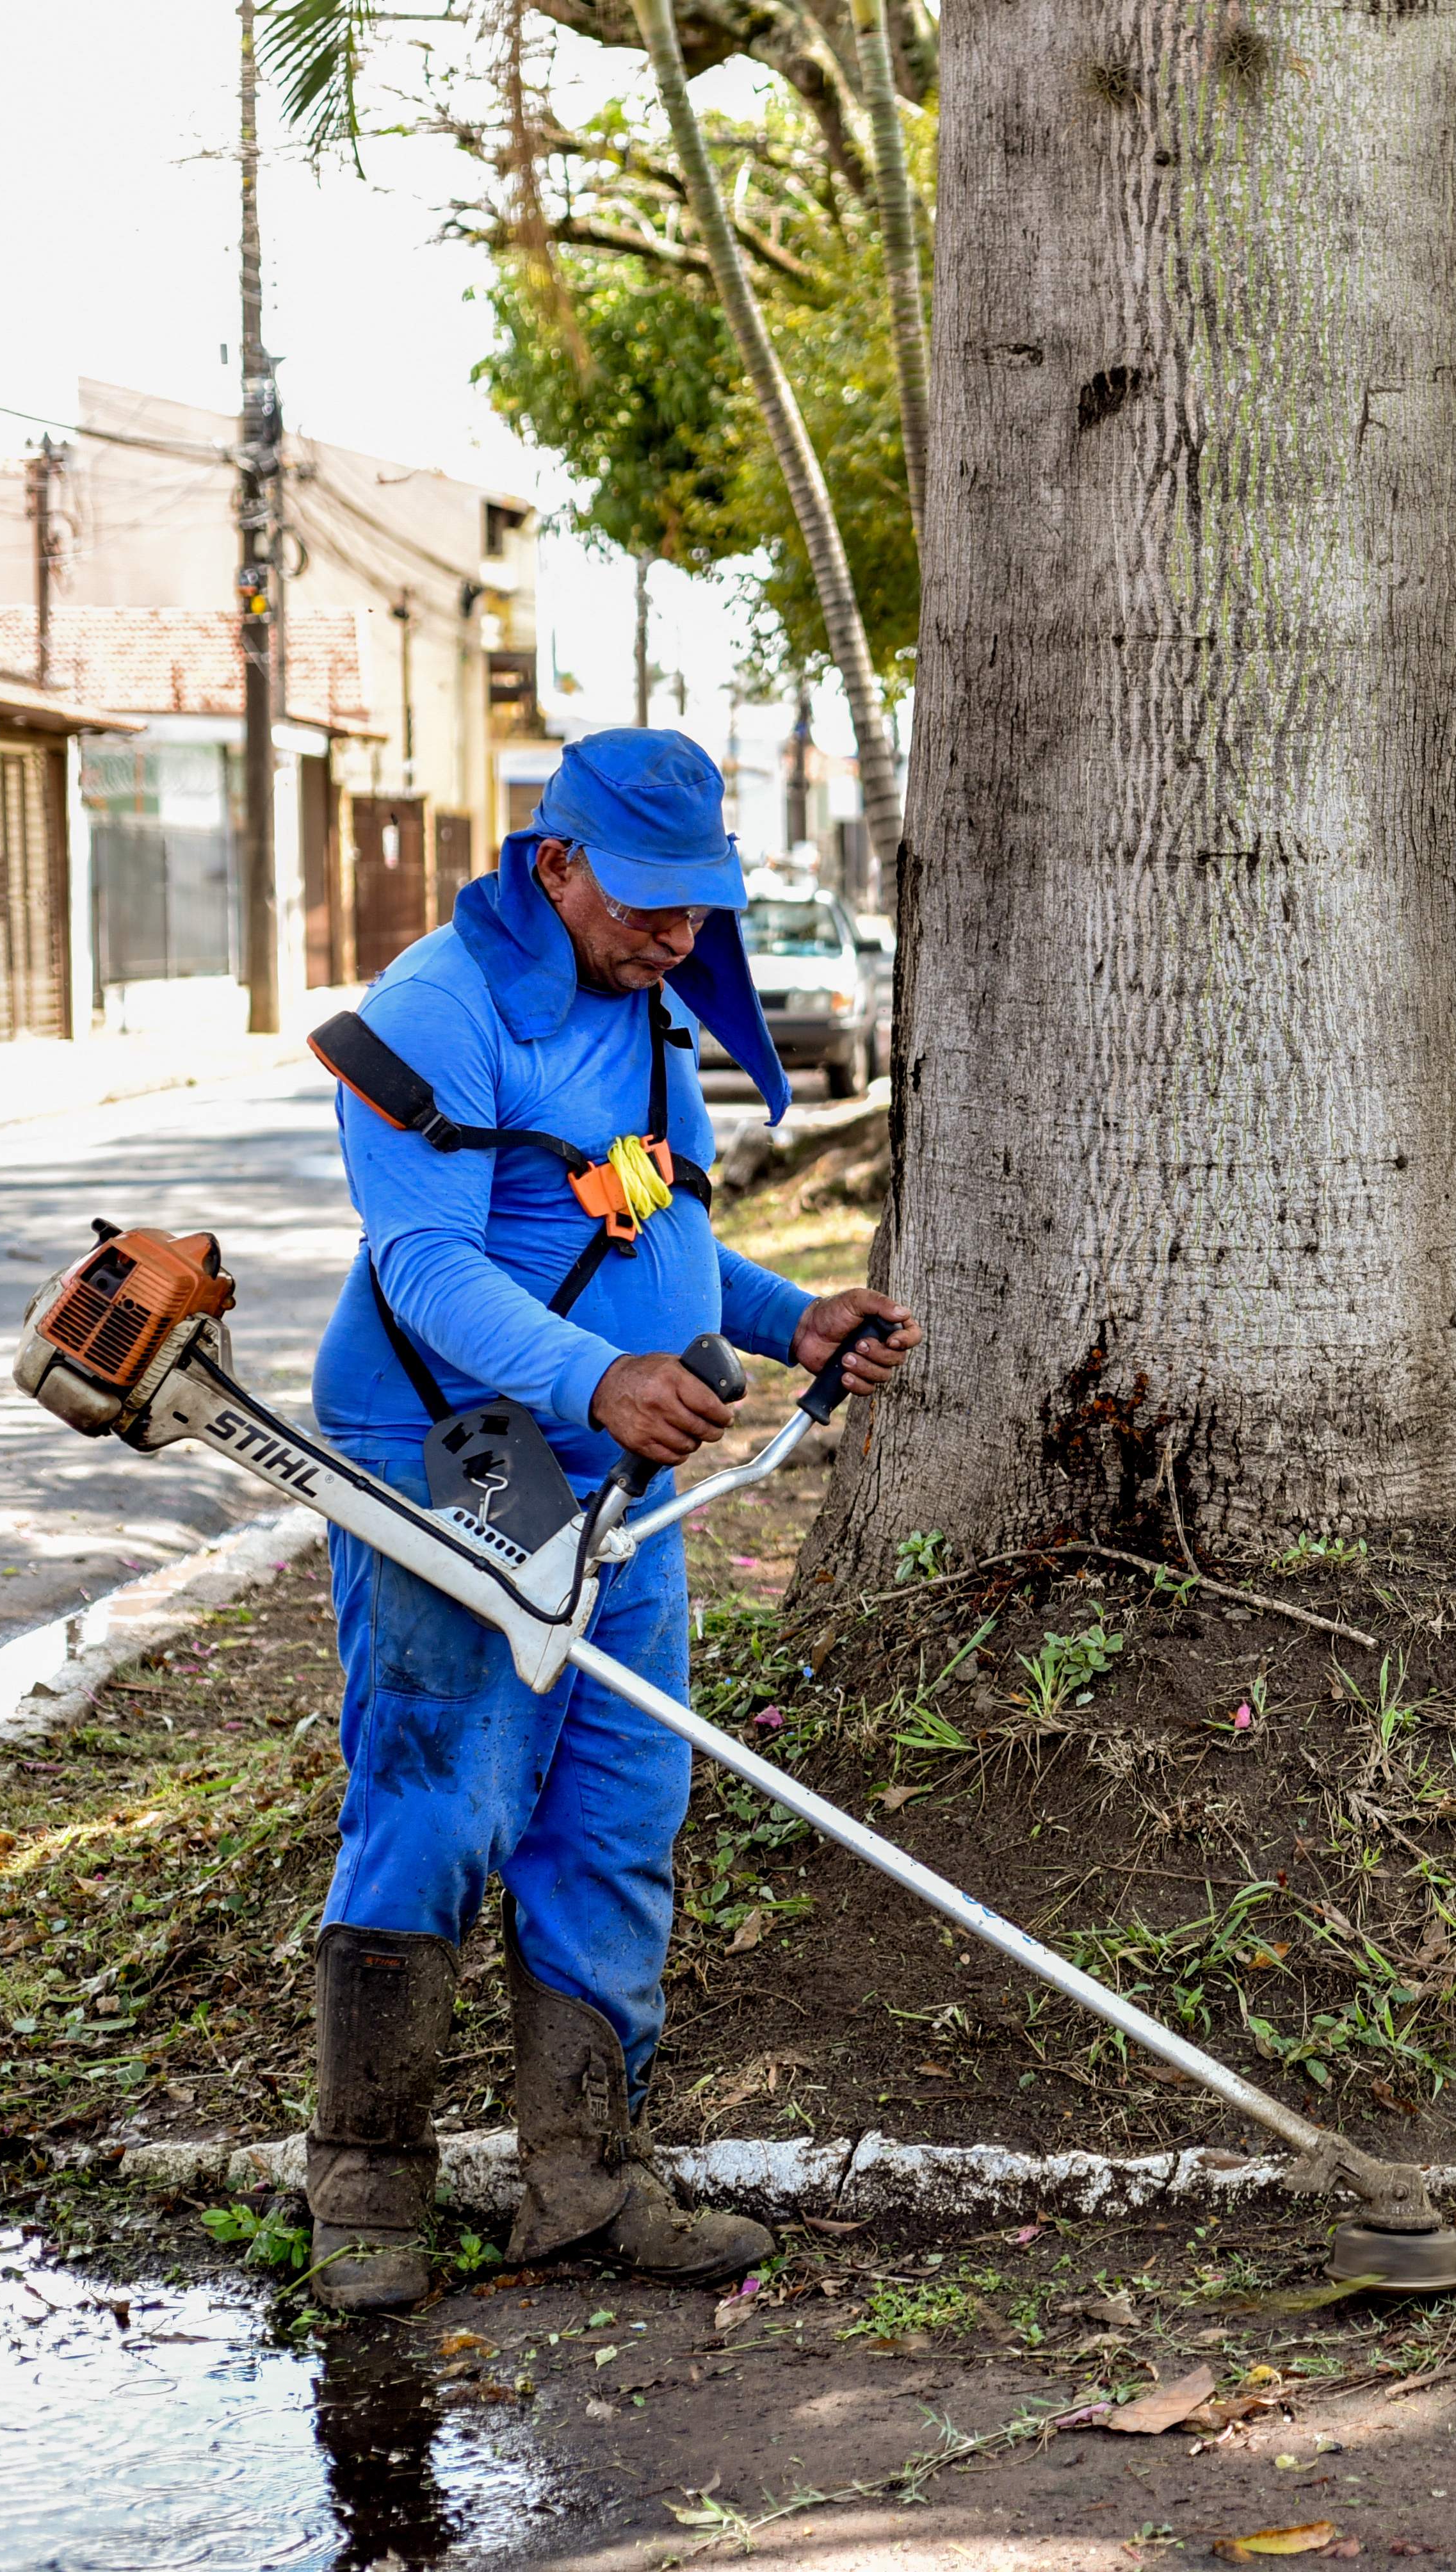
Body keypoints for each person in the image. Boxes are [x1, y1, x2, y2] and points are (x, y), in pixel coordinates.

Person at [299, 730, 919, 2312]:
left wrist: (795, 1323)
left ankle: (581, 2182)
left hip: (610, 1456)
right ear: (554, 861)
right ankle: (366, 2185)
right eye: (652, 901)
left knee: (618, 1800)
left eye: (700, 906)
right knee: (444, 1798)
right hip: (460, 1439)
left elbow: (648, 1230)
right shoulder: (443, 1006)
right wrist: (600, 1377)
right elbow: (424, 1269)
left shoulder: (647, 1019)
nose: (681, 936)